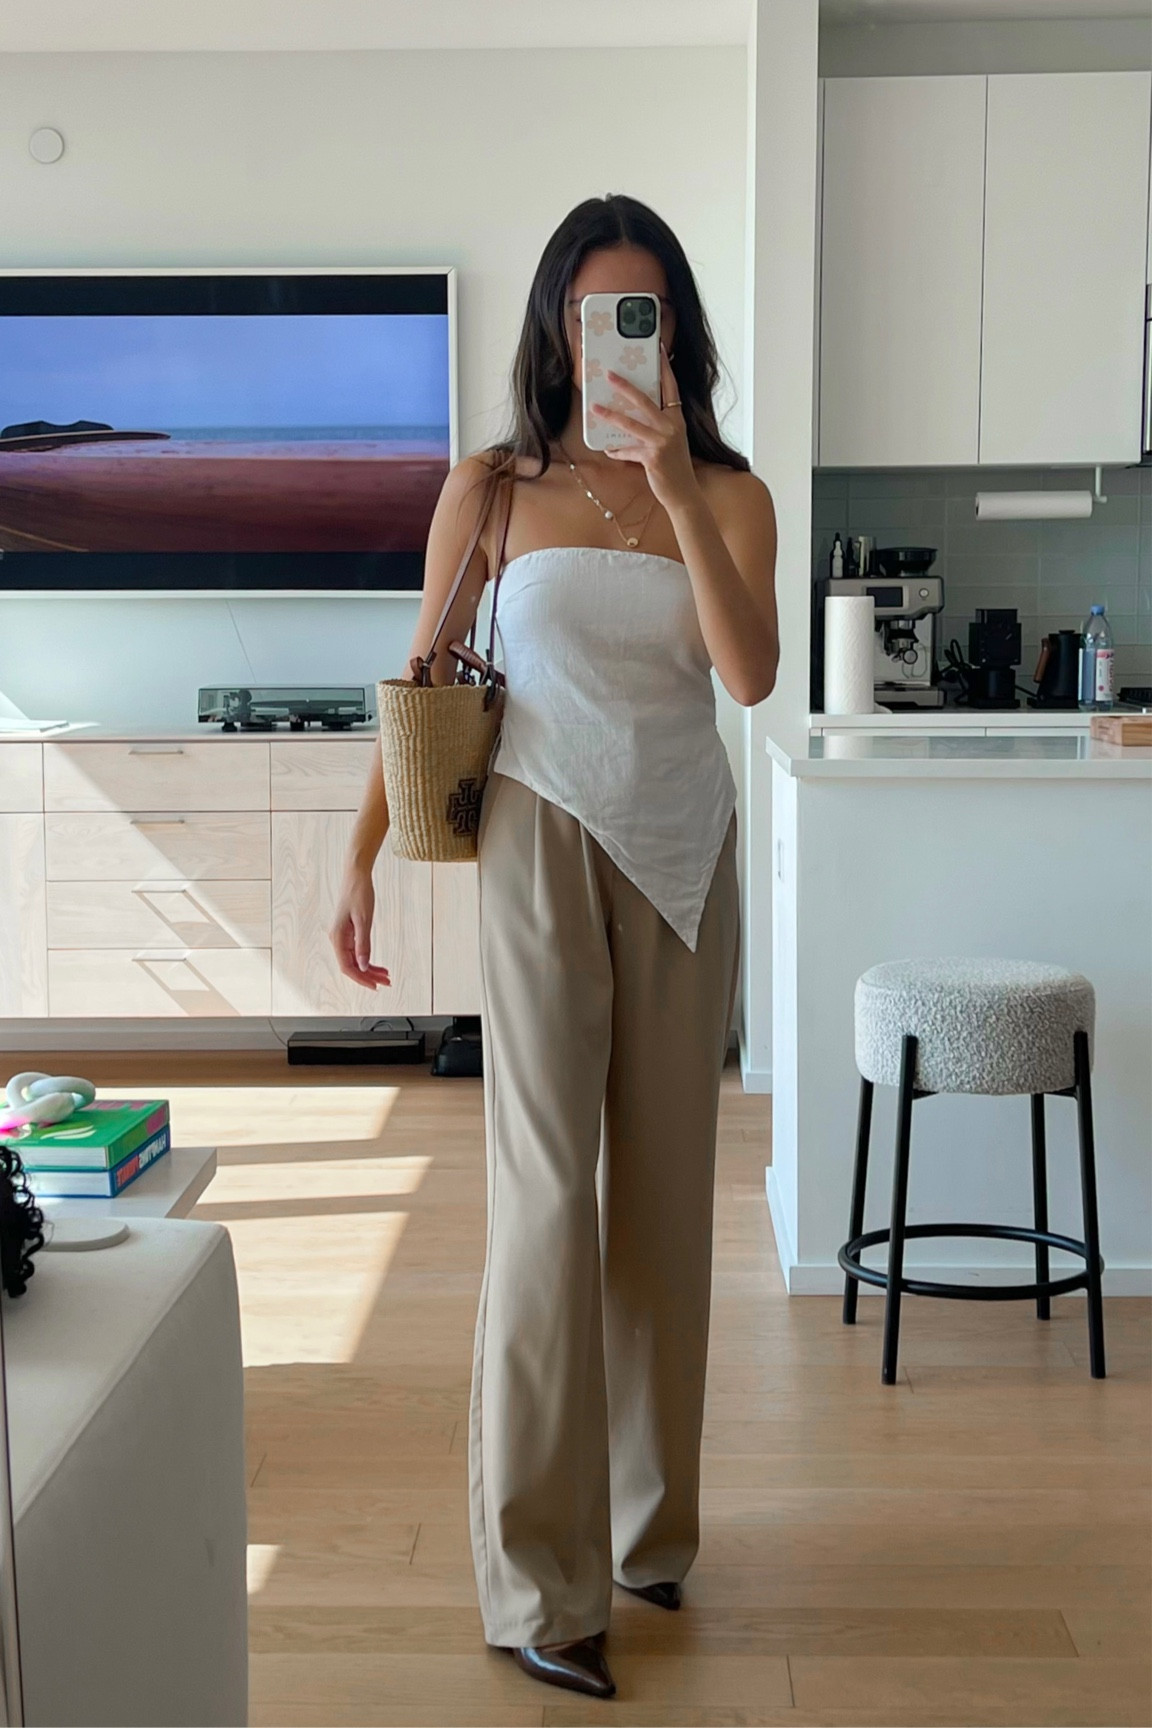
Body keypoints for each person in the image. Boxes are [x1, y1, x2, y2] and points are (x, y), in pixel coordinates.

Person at [330, 193, 779, 1701]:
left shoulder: (729, 491)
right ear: (555, 328)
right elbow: (418, 680)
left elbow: (751, 673)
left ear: (676, 329)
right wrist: (360, 863)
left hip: (685, 856)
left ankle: (651, 1532)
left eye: (643, 311)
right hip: (534, 833)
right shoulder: (494, 489)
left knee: (663, 1205)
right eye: (595, 313)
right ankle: (539, 1579)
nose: (617, 339)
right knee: (545, 1205)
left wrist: (673, 476)